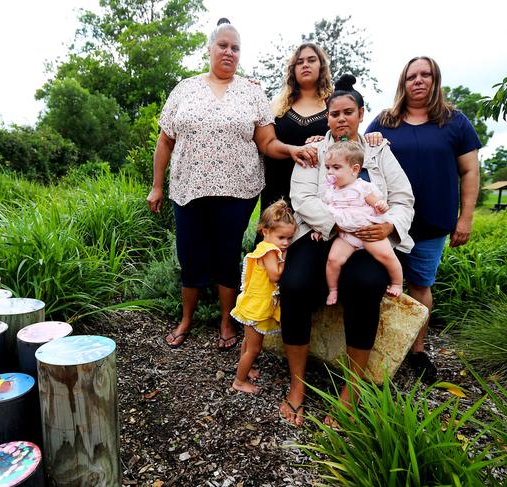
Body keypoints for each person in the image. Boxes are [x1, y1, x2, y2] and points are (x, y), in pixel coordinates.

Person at [146, 18, 316, 350]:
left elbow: (266, 142)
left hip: (238, 191)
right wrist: (157, 186)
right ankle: (186, 320)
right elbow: (165, 141)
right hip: (189, 189)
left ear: (240, 54)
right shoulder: (185, 88)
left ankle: (227, 320)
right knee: (190, 256)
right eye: (222, 46)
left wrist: (293, 149)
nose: (229, 52)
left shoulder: (252, 92)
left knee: (226, 256)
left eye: (235, 48)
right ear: (208, 49)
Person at [278, 74, 415, 426]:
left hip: (370, 236)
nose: (341, 119)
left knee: (365, 284)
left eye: (348, 112)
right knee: (294, 285)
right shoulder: (314, 152)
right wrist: (337, 225)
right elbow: (302, 198)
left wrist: (388, 225)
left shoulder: (378, 151)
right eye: (334, 113)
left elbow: (403, 198)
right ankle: (297, 385)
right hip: (322, 232)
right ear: (327, 117)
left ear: (360, 113)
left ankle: (351, 390)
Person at [366, 56, 481, 384]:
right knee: (379, 283)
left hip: (432, 222)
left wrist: (466, 217)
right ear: (403, 82)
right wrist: (365, 140)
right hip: (388, 224)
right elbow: (356, 155)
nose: (418, 81)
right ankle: (378, 346)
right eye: (412, 76)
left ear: (435, 80)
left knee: (420, 285)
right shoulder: (385, 121)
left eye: (425, 75)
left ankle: (416, 350)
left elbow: (470, 170)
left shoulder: (455, 122)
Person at [319, 141, 404, 305]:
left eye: (336, 168)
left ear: (355, 169)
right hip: (345, 236)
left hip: (368, 233)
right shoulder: (330, 192)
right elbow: (326, 212)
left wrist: (381, 206)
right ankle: (333, 290)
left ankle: (397, 283)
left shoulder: (362, 188)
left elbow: (378, 204)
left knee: (386, 255)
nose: (330, 172)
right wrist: (319, 229)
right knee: (333, 260)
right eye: (328, 167)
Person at [231, 199, 296, 394]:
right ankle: (239, 381)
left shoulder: (264, 246)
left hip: (252, 303)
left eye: (289, 238)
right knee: (254, 349)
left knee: (247, 342)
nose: (285, 243)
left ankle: (246, 368)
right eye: (281, 237)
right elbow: (275, 275)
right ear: (265, 231)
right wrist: (286, 261)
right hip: (257, 308)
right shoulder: (270, 251)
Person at [260, 43, 332, 211]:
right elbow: (265, 143)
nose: (305, 65)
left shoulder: (334, 105)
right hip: (277, 192)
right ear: (292, 69)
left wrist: (328, 142)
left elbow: (347, 143)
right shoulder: (276, 106)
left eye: (311, 60)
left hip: (319, 196)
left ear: (321, 66)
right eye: (299, 62)